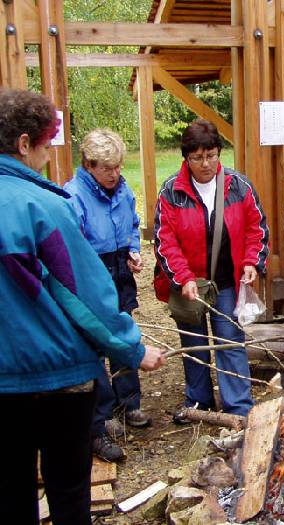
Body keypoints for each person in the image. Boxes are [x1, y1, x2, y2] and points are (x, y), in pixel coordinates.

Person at [0, 88, 165, 525]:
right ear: (23, 144)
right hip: (55, 376)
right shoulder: (45, 206)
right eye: (44, 144)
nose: (46, 155)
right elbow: (84, 297)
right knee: (68, 489)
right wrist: (131, 348)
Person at [153, 118, 269, 423]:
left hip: (227, 281)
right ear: (185, 158)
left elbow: (256, 229)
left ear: (219, 153)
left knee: (230, 342)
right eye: (197, 157)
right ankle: (199, 402)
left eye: (211, 155)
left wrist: (251, 262)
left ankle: (238, 407)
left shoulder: (239, 186)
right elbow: (165, 241)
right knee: (194, 345)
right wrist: (183, 278)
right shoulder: (171, 192)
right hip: (189, 283)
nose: (205, 164)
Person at [65, 129, 150, 462]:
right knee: (96, 344)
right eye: (107, 168)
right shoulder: (73, 196)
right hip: (92, 272)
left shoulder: (123, 190)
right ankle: (99, 420)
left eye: (118, 167)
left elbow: (133, 224)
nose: (115, 174)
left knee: (124, 332)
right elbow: (72, 246)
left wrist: (132, 249)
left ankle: (128, 403)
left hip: (119, 270)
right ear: (89, 164)